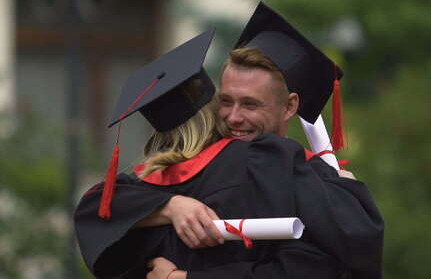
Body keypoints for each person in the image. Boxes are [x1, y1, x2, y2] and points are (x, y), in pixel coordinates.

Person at [74, 28, 382, 279]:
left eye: (250, 104)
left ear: (290, 106)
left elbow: (96, 214)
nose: (233, 117)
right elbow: (345, 250)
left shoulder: (143, 194)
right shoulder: (268, 163)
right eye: (226, 101)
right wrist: (346, 191)